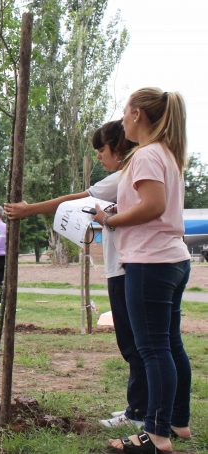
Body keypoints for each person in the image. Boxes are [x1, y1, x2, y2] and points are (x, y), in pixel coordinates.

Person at [5, 120, 144, 428]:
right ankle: (141, 409)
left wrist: (29, 209)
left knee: (133, 343)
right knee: (136, 342)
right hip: (123, 266)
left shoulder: (121, 178)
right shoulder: (126, 177)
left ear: (118, 148)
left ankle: (140, 412)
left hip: (124, 269)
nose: (99, 157)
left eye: (101, 149)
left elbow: (75, 199)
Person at [97, 89, 192, 454]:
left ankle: (156, 436)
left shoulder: (147, 155)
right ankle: (177, 422)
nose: (122, 121)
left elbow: (153, 205)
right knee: (169, 344)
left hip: (150, 262)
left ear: (137, 114)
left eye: (124, 113)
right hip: (171, 259)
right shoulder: (167, 154)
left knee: (153, 349)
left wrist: (112, 219)